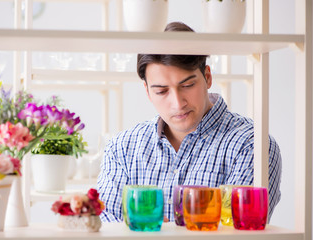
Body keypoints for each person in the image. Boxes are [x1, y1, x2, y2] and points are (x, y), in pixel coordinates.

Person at [97, 21, 282, 223]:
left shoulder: (253, 146)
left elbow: (239, 232)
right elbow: (106, 229)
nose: (177, 103)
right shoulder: (122, 148)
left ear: (208, 77)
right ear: (148, 92)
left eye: (187, 85)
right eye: (161, 91)